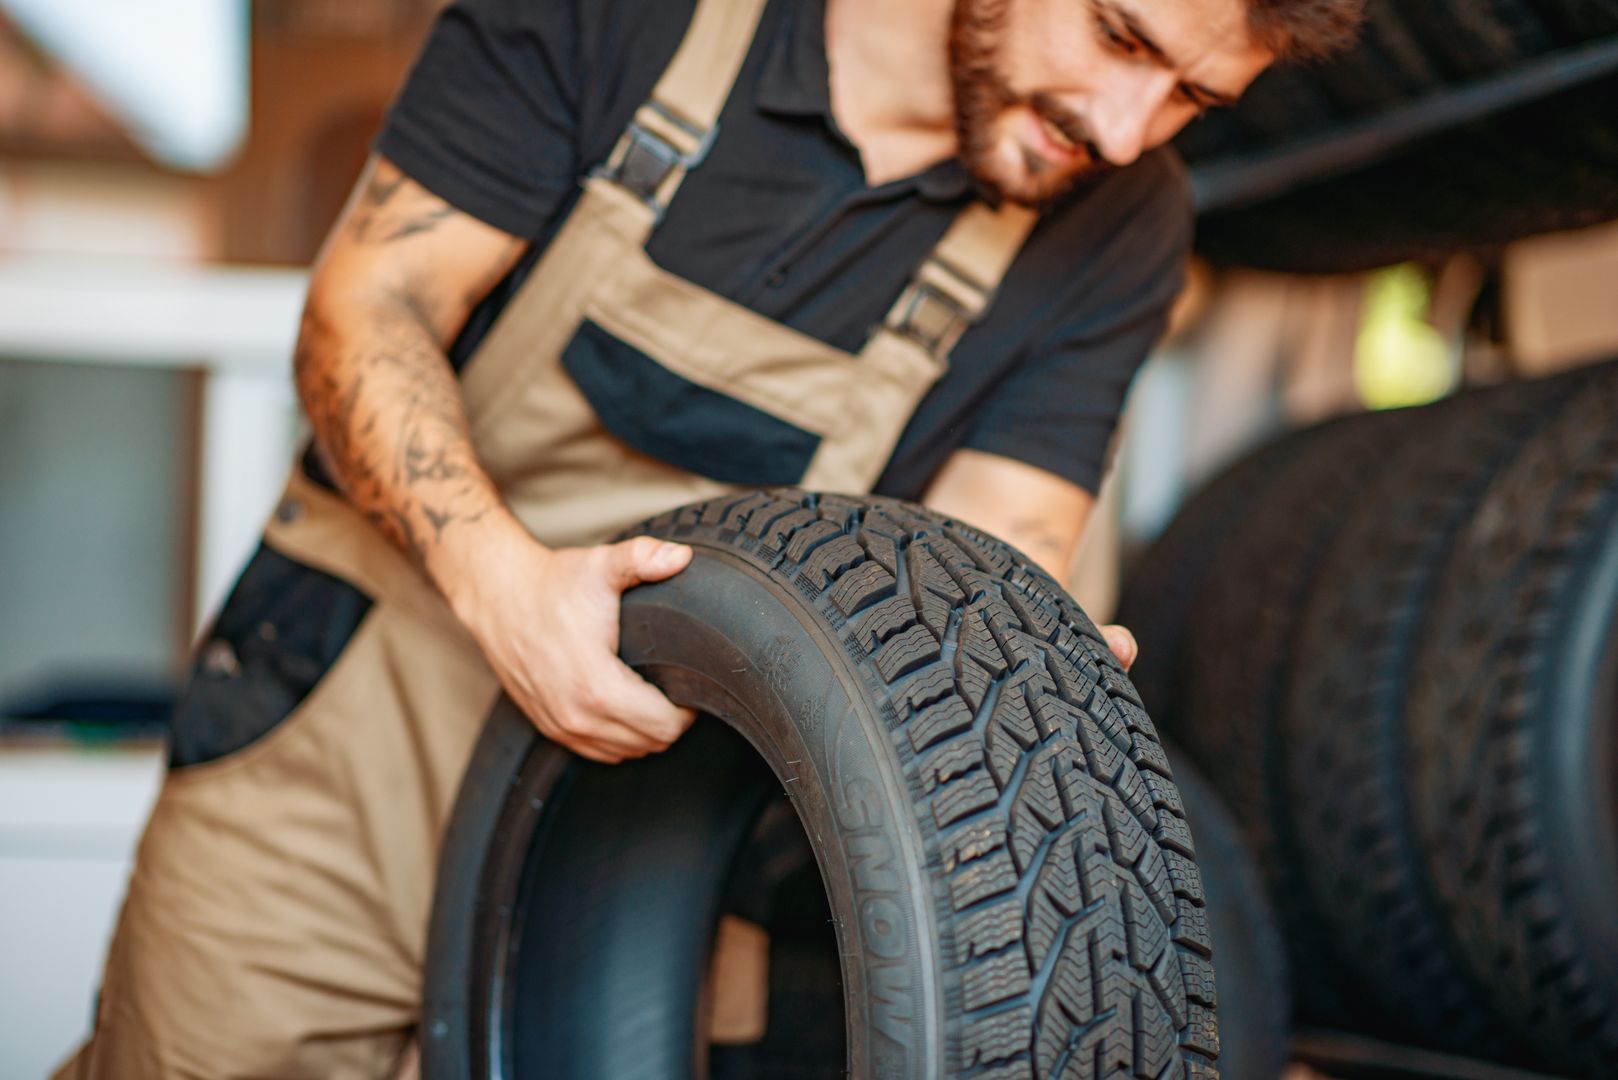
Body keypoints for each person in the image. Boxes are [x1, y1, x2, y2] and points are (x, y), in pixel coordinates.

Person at [57, 0, 1360, 1074]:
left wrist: (1011, 684)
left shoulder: (1118, 228)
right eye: (1119, 39)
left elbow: (996, 542)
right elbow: (366, 308)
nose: (1130, 132)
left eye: (1194, 99)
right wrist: (509, 591)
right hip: (352, 746)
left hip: (663, 838)